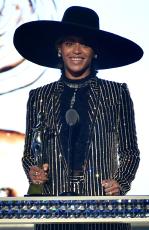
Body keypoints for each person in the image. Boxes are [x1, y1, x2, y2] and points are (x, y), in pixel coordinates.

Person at [13, 5, 143, 230]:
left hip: (103, 211)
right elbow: (29, 153)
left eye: (85, 43)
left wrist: (120, 183)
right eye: (69, 43)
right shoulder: (39, 96)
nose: (77, 50)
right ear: (59, 49)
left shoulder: (116, 93)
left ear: (95, 52)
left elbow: (130, 151)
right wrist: (32, 170)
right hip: (52, 212)